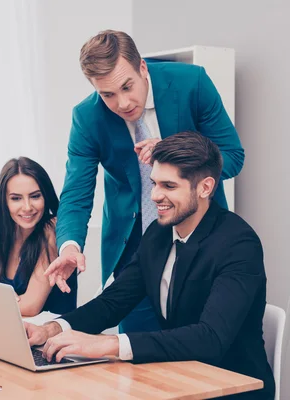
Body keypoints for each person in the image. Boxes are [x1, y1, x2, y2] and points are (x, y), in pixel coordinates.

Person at [27, 132, 275, 400]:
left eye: (169, 186)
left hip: (233, 387)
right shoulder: (158, 233)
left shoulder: (238, 243)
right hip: (178, 376)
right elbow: (113, 302)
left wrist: (110, 343)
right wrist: (52, 328)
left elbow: (210, 338)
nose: (155, 195)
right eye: (154, 183)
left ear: (204, 188)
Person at [47, 30, 245, 333]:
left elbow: (232, 156)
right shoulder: (88, 117)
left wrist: (172, 153)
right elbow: (76, 191)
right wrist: (69, 246)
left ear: (142, 67)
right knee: (133, 361)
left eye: (127, 87)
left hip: (200, 244)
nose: (123, 103)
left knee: (199, 352)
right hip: (136, 254)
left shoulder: (192, 84)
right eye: (108, 95)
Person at [0, 157, 76, 317]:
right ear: (3, 201)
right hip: (13, 333)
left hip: (52, 337)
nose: (27, 207)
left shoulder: (51, 229)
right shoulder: (0, 237)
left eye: (35, 196)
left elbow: (31, 306)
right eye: (16, 198)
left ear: (45, 197)